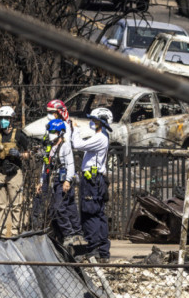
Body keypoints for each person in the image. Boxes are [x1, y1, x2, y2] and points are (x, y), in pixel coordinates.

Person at [72, 108, 112, 263]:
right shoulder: (101, 137)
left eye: (95, 121)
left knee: (90, 214)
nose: (92, 123)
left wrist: (75, 129)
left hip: (92, 180)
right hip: (96, 179)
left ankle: (92, 248)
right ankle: (103, 251)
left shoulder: (100, 138)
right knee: (99, 214)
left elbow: (78, 144)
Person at [37, 119, 83, 246]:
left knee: (61, 207)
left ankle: (70, 234)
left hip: (62, 180)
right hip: (53, 180)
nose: (51, 134)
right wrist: (41, 181)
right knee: (54, 209)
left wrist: (68, 180)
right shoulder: (50, 147)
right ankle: (62, 235)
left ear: (60, 133)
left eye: (54, 131)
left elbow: (71, 165)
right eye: (50, 131)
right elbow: (45, 166)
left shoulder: (65, 146)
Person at [0, 106, 30, 237]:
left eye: (6, 119)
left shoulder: (19, 135)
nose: (3, 121)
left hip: (14, 173)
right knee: (0, 204)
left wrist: (20, 154)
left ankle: (14, 232)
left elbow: (28, 153)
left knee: (15, 204)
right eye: (1, 119)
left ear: (11, 119)